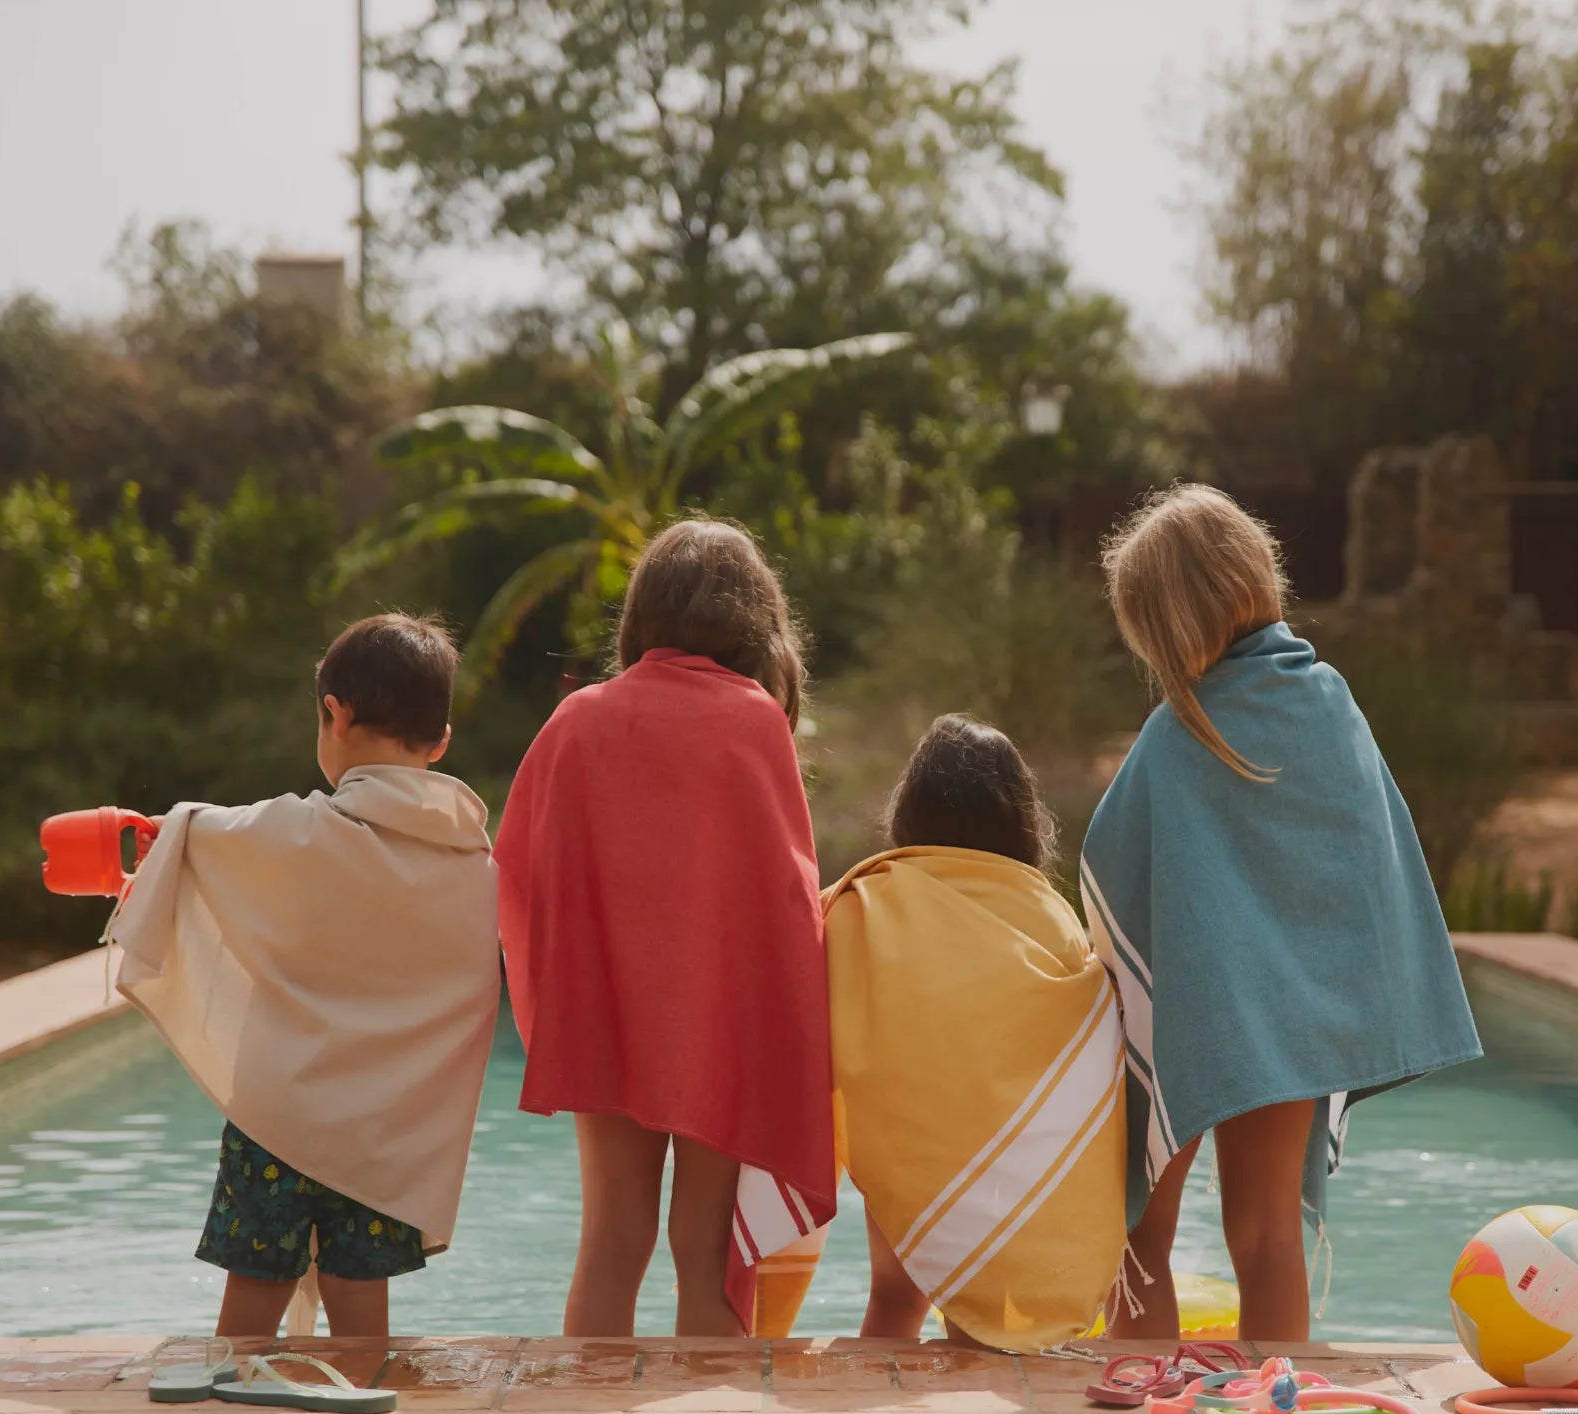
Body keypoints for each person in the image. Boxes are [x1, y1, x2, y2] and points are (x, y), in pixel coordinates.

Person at [1081, 485, 1482, 1343]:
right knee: (1265, 1238)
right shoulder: (1328, 700)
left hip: (1188, 1010)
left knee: (1138, 1237)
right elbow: (1360, 863)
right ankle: (1276, 1406)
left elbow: (1110, 871)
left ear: (1164, 621)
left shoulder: (1176, 733)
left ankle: (1131, 1386)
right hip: (1287, 1020)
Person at [111, 613, 500, 1339]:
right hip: (390, 1133)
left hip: (278, 1124)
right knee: (361, 1311)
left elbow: (196, 833)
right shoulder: (472, 867)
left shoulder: (297, 832)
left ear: (335, 713)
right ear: (441, 741)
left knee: (251, 1306)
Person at [496, 521, 834, 1337]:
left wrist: (567, 1001)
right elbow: (787, 895)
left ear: (641, 612)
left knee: (612, 1242)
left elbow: (513, 873)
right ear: (756, 620)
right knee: (703, 1250)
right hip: (715, 1025)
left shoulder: (577, 720)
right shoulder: (754, 723)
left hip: (604, 1018)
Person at [827, 715, 1126, 1349]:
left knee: (894, 1294)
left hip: (905, 1134)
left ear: (908, 815)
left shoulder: (873, 900)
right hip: (1012, 1145)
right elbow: (1082, 1035)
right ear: (1021, 823)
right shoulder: (1048, 912)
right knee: (985, 1316)